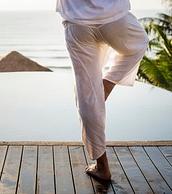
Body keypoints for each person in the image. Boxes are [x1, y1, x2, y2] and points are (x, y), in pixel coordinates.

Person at [56, 0, 148, 180]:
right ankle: (108, 82)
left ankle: (102, 167)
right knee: (140, 44)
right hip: (115, 18)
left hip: (77, 22)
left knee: (87, 92)